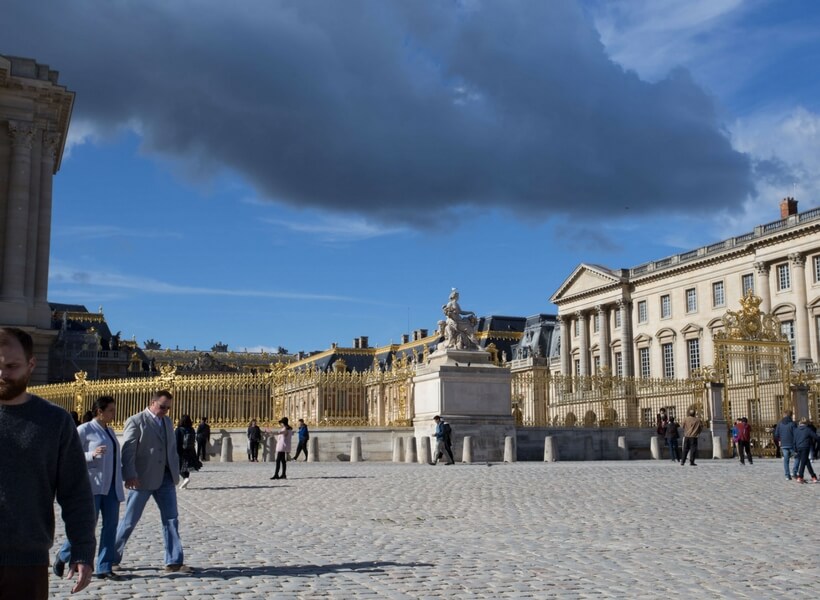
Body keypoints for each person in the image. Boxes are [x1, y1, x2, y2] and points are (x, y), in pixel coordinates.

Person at [0, 327, 96, 597]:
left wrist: (82, 548)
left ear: (31, 365)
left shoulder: (55, 421)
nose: (2, 374)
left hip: (26, 564)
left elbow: (75, 492)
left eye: (11, 366)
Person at [114, 390, 191, 573]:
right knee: (130, 519)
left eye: (168, 408)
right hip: (142, 478)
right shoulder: (136, 420)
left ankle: (173, 561)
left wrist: (176, 470)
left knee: (171, 519)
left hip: (165, 477)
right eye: (162, 407)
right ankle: (110, 558)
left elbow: (171, 449)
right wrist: (130, 474)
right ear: (153, 402)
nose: (165, 411)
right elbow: (128, 450)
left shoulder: (167, 421)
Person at [55, 395, 124, 581]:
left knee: (110, 528)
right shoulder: (84, 429)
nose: (114, 413)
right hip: (91, 487)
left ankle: (104, 566)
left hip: (111, 487)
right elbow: (69, 454)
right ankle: (63, 555)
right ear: (99, 411)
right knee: (86, 528)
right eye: (110, 410)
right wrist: (91, 455)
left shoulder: (109, 431)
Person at [175, 414, 201, 489]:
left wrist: (176, 451)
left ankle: (185, 479)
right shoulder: (191, 429)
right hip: (190, 450)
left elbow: (177, 441)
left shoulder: (179, 430)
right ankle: (185, 482)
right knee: (187, 467)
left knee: (178, 466)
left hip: (182, 450)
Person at [774, 410, 798, 481]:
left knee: (786, 460)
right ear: (790, 415)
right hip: (791, 444)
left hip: (783, 444)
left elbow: (776, 434)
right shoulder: (792, 424)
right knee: (798, 457)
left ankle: (787, 475)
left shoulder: (780, 424)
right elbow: (796, 434)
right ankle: (794, 471)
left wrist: (780, 440)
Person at [793, 418, 818, 484]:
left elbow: (794, 440)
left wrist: (795, 448)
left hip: (798, 447)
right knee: (804, 462)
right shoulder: (808, 429)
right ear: (806, 423)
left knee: (806, 461)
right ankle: (800, 477)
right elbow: (816, 437)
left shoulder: (796, 430)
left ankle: (813, 476)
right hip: (805, 447)